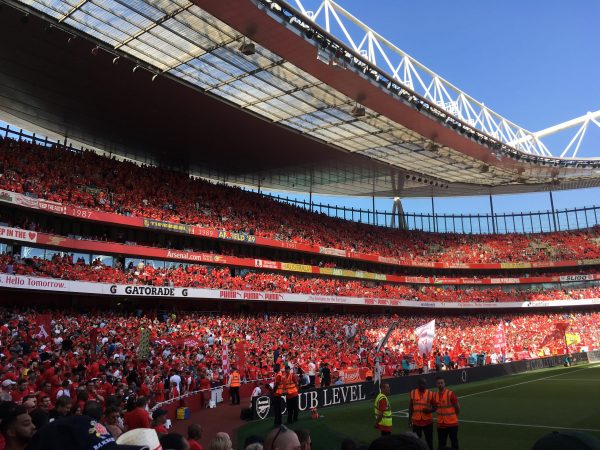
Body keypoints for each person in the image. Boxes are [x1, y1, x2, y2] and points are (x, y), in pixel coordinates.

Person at [432, 377, 459, 449]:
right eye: (438, 383)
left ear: (444, 384)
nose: (440, 384)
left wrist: (455, 417)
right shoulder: (434, 395)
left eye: (441, 383)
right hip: (441, 424)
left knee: (454, 443)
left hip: (452, 423)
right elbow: (434, 407)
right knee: (441, 443)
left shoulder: (450, 394)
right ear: (436, 384)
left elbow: (457, 407)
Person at [408, 378, 434, 450]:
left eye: (424, 384)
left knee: (429, 441)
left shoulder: (430, 393)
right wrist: (409, 419)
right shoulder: (412, 393)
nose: (423, 385)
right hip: (416, 422)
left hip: (428, 422)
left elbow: (435, 407)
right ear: (418, 384)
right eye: (421, 383)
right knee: (416, 442)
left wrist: (430, 410)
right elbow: (410, 406)